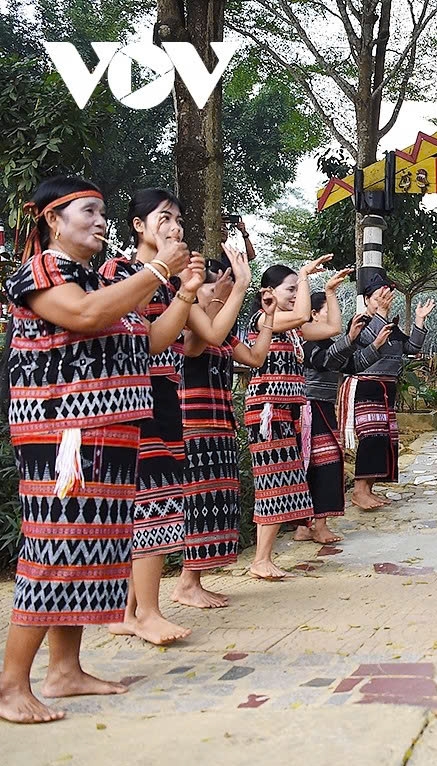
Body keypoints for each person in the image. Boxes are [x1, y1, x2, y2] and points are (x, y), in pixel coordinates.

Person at [0, 176, 181, 724]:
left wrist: (185, 290)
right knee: (55, 549)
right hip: (63, 434)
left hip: (109, 433)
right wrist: (159, 269)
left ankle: (65, 671)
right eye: (88, 211)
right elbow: (83, 316)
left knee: (91, 551)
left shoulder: (100, 280)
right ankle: (10, 685)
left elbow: (149, 342)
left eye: (103, 211)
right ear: (53, 220)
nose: (100, 221)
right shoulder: (41, 271)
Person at [98, 189, 206, 646]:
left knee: (152, 500)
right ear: (138, 226)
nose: (175, 227)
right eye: (164, 218)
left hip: (164, 393)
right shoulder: (119, 272)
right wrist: (172, 277)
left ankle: (126, 612)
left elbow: (175, 340)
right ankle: (147, 612)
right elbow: (141, 337)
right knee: (154, 499)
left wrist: (190, 291)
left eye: (178, 219)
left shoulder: (166, 282)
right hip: (131, 397)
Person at [175, 261, 277, 608]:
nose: (217, 292)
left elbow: (256, 358)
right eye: (211, 286)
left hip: (219, 424)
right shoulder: (184, 319)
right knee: (196, 502)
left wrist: (270, 317)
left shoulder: (221, 328)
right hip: (191, 423)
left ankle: (194, 580)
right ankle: (186, 583)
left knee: (215, 502)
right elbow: (194, 346)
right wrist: (222, 296)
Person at [243, 258, 348, 579]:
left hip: (287, 413)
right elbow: (303, 314)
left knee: (283, 482)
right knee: (271, 482)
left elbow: (332, 328)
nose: (294, 295)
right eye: (289, 289)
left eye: (295, 289)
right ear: (268, 292)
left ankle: (264, 557)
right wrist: (303, 275)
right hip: (267, 411)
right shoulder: (263, 319)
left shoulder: (292, 331)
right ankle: (260, 560)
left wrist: (330, 292)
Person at [296, 293, 388, 544]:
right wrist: (349, 339)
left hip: (322, 407)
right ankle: (315, 525)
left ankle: (307, 525)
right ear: (313, 314)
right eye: (329, 311)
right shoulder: (306, 343)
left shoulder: (327, 344)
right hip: (310, 408)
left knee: (315, 464)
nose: (334, 317)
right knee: (324, 463)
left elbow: (352, 365)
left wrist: (375, 345)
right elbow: (326, 361)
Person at [347, 277, 434, 509]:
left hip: (388, 387)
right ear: (367, 300)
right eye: (378, 298)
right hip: (368, 385)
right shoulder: (359, 323)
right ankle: (358, 490)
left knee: (383, 439)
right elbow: (369, 341)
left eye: (386, 298)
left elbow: (412, 348)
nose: (383, 302)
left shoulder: (391, 327)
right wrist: (382, 314)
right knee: (370, 436)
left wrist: (419, 320)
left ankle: (369, 489)